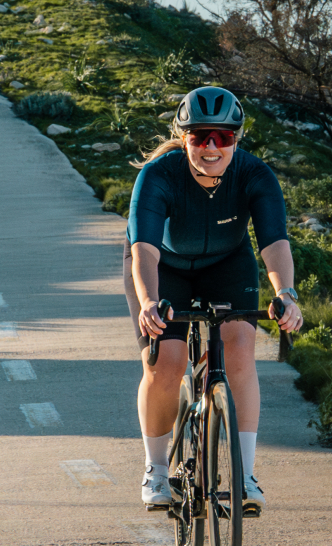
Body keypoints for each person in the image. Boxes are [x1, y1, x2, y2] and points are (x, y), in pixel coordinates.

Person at [124, 86, 303, 514]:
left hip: (228, 264)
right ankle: (156, 471)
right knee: (165, 361)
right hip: (161, 268)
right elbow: (143, 252)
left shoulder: (255, 176)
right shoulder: (158, 175)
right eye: (200, 135)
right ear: (183, 136)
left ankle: (245, 476)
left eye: (222, 137)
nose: (210, 146)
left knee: (240, 349)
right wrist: (150, 302)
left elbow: (275, 244)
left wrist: (286, 295)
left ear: (236, 140)